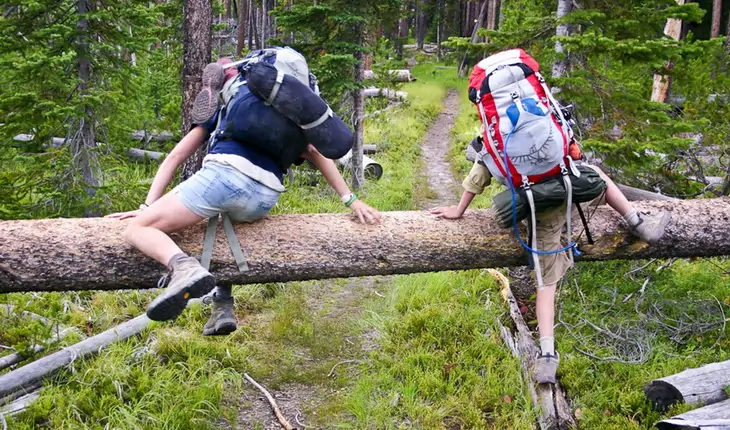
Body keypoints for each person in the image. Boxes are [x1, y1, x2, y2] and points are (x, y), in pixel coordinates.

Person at [107, 58, 382, 336]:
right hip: (263, 199)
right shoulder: (293, 113)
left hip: (224, 178)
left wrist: (146, 208)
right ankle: (222, 304)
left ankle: (184, 268)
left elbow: (176, 157)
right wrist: (350, 199)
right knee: (219, 222)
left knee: (139, 228)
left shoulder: (229, 104)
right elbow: (316, 154)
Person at [430, 158, 670, 384]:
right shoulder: (545, 122)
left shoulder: (496, 133)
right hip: (560, 200)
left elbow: (480, 169)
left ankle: (547, 355)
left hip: (532, 207)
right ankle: (637, 222)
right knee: (596, 175)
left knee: (546, 284)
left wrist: (460, 209)